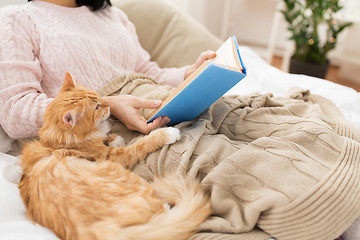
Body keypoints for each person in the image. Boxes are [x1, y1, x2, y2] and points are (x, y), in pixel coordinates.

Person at [0, 0, 216, 139]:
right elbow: (15, 113)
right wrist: (106, 106)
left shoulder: (112, 15)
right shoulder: (16, 19)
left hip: (158, 111)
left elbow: (146, 73)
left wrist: (188, 73)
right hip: (111, 138)